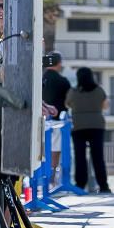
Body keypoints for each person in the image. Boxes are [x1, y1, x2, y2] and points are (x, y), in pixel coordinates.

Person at [65, 67, 111, 193]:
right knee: (98, 157)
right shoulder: (99, 90)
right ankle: (103, 185)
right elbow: (105, 105)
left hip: (78, 126)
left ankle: (80, 185)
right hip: (97, 125)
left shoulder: (73, 92)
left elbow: (67, 104)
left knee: (80, 157)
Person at [42, 51, 71, 180]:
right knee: (55, 149)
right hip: (57, 121)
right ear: (59, 63)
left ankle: (41, 177)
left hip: (39, 120)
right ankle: (52, 177)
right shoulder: (63, 81)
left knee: (40, 149)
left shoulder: (39, 79)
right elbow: (68, 101)